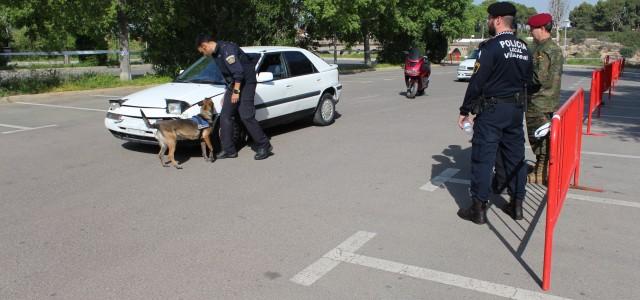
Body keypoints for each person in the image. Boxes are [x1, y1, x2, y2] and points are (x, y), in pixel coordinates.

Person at [457, 2, 532, 224]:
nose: (489, 22)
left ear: (498, 20)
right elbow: (528, 80)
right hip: (515, 111)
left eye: (490, 19)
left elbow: (477, 82)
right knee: (516, 158)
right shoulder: (524, 48)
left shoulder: (491, 48)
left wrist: (465, 110)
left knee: (483, 158)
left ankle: (478, 209)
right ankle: (517, 205)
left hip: (492, 111)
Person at [195, 33, 273, 160]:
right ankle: (229, 150)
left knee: (245, 115)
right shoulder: (216, 54)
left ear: (205, 46)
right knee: (225, 114)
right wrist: (228, 93)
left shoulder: (227, 49)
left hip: (247, 82)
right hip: (234, 83)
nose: (204, 54)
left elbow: (238, 72)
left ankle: (264, 145)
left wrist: (236, 92)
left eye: (202, 51)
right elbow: (228, 76)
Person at [526, 13, 563, 184]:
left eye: (533, 28)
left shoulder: (544, 50)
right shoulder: (552, 47)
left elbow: (537, 78)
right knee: (544, 139)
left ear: (541, 28)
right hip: (549, 100)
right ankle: (542, 169)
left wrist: (519, 78)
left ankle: (541, 174)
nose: (531, 32)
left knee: (539, 140)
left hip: (538, 101)